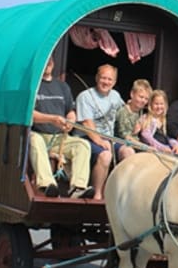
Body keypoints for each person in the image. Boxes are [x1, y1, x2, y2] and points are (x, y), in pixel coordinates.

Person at [29, 57, 95, 199]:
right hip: (38, 133)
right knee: (34, 140)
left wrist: (71, 120)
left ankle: (77, 188)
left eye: (50, 61)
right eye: (44, 61)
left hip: (59, 138)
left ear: (53, 63)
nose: (47, 64)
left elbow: (70, 110)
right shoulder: (32, 86)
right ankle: (47, 185)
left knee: (83, 145)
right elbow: (29, 114)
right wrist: (52, 119)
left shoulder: (62, 86)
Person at [75, 63, 124, 200]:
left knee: (129, 152)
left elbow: (124, 112)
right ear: (97, 78)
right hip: (87, 137)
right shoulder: (85, 96)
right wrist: (101, 141)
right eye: (103, 78)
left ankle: (119, 195)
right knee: (106, 155)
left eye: (109, 79)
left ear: (114, 82)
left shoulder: (115, 95)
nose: (106, 82)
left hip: (109, 138)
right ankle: (97, 195)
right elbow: (87, 124)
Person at [138, 89, 178, 155]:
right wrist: (162, 148)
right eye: (156, 104)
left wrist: (176, 145)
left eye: (161, 104)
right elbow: (147, 137)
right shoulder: (146, 118)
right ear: (151, 104)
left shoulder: (165, 120)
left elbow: (169, 137)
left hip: (167, 149)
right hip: (153, 150)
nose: (159, 107)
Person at [114, 78, 152, 154]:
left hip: (135, 143)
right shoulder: (123, 112)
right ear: (132, 94)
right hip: (120, 143)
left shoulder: (140, 111)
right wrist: (144, 147)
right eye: (141, 97)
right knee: (129, 152)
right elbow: (125, 137)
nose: (143, 101)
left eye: (146, 99)